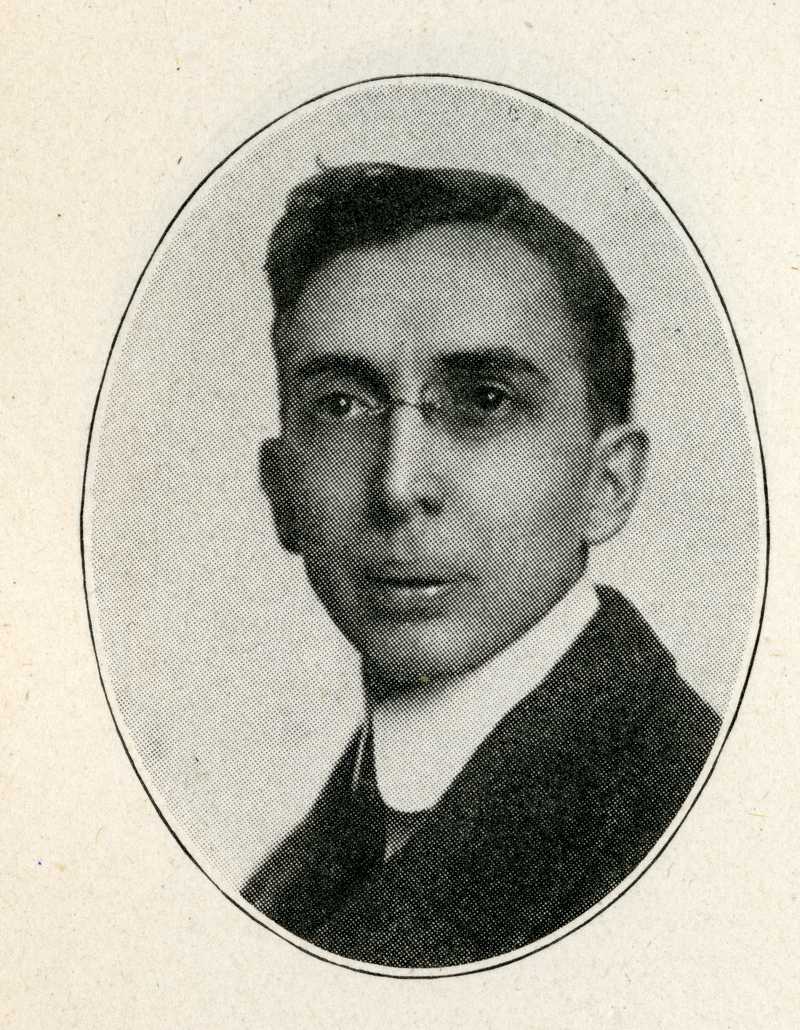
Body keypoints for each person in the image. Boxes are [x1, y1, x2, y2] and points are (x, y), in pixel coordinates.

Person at [241, 162, 721, 968]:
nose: (398, 485)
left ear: (607, 484)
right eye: (341, 405)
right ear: (281, 491)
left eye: (484, 400)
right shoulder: (298, 870)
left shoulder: (684, 807)